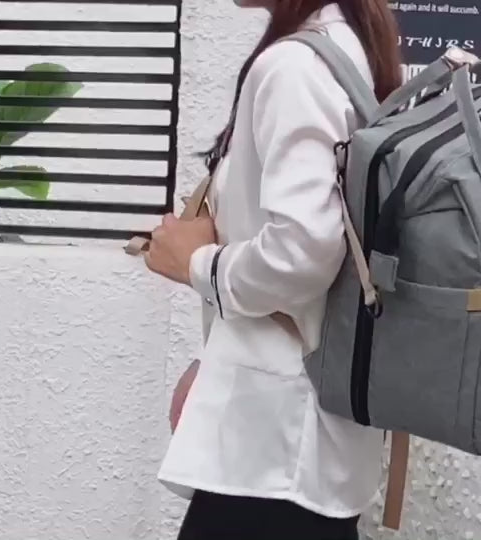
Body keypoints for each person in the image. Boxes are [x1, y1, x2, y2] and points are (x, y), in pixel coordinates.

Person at [143, 1, 403, 539]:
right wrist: (214, 360)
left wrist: (196, 264)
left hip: (273, 446)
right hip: (298, 433)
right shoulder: (345, 46)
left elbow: (302, 250)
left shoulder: (294, 67)